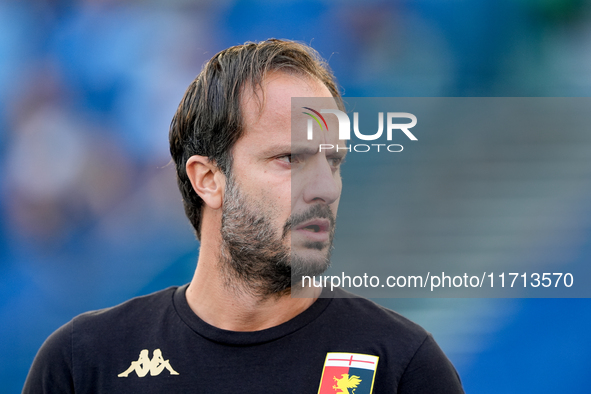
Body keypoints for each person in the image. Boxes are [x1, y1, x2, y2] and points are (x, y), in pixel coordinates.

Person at [23, 39, 464, 393]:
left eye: (334, 162)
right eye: (291, 158)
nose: (325, 188)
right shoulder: (84, 363)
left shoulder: (401, 366)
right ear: (208, 179)